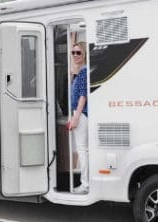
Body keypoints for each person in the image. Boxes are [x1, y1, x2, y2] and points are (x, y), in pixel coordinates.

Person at [68, 42, 89, 193]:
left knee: (82, 150)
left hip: (81, 114)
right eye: (73, 52)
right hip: (79, 114)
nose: (75, 55)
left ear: (85, 54)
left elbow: (83, 96)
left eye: (78, 53)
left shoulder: (83, 72)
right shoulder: (81, 71)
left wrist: (76, 117)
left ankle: (85, 184)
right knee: (84, 150)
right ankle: (86, 182)